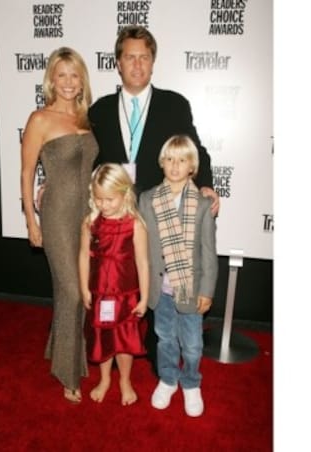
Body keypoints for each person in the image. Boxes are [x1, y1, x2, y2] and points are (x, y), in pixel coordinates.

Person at [20, 47, 98, 404]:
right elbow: (26, 172)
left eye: (74, 74)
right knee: (71, 291)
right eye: (61, 74)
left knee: (81, 288)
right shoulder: (40, 119)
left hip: (87, 215)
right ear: (51, 79)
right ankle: (69, 374)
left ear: (82, 80)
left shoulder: (86, 119)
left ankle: (59, 347)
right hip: (55, 215)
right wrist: (30, 221)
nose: (68, 82)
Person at [88, 25, 220, 215]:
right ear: (118, 64)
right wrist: (51, 184)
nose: (137, 65)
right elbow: (85, 161)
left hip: (160, 214)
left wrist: (206, 185)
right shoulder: (100, 110)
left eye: (144, 57)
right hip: (113, 216)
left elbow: (195, 152)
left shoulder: (175, 105)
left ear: (152, 63)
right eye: (130, 57)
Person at [138, 135, 218, 417]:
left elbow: (209, 253)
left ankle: (191, 383)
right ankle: (168, 379)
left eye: (182, 160)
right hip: (161, 289)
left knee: (193, 344)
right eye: (170, 159)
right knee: (164, 338)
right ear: (162, 162)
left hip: (190, 288)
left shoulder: (203, 205)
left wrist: (207, 291)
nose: (175, 165)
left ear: (191, 167)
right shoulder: (147, 200)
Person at [78, 163, 150, 406]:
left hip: (126, 295)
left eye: (109, 199)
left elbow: (143, 263)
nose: (103, 205)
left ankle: (125, 380)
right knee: (103, 338)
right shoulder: (90, 223)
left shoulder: (135, 225)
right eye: (98, 199)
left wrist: (144, 297)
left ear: (125, 194)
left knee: (125, 340)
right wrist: (84, 288)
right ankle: (105, 378)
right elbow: (83, 256)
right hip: (99, 293)